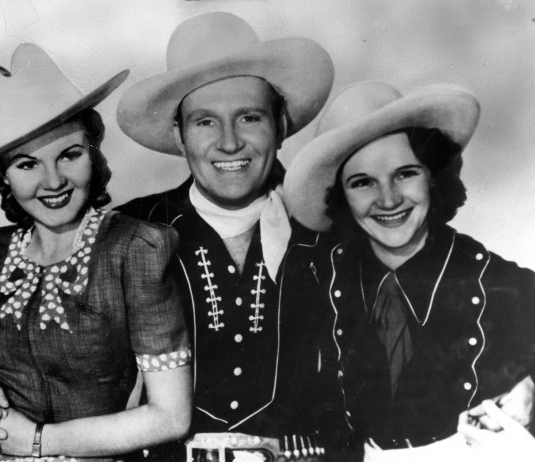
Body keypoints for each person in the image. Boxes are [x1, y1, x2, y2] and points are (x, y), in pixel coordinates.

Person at [0, 43, 192, 461]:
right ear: (4, 175)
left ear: (94, 153)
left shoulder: (136, 249)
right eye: (27, 164)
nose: (53, 181)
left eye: (69, 155)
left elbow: (170, 417)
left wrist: (36, 441)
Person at [116, 11, 345, 461]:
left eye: (249, 118)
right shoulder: (129, 232)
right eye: (205, 122)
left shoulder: (334, 229)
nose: (228, 143)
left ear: (280, 126)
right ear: (178, 135)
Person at [284, 82, 535, 456]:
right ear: (341, 196)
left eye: (405, 174)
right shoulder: (319, 280)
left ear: (434, 176)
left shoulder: (510, 287)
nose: (388, 199)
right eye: (362, 182)